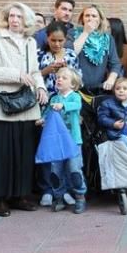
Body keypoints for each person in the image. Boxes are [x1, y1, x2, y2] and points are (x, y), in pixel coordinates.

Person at [0, 2, 48, 217]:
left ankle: (20, 195)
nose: (14, 19)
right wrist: (16, 75)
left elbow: (35, 71)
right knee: (0, 153)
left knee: (23, 152)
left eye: (19, 16)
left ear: (26, 20)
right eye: (11, 16)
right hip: (1, 102)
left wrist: (41, 87)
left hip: (26, 103)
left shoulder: (30, 41)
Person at [40, 67, 86, 213]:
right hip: (57, 142)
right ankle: (59, 196)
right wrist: (42, 119)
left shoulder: (75, 96)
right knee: (55, 171)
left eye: (64, 78)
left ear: (72, 84)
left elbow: (77, 106)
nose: (59, 79)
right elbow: (47, 112)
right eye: (58, 77)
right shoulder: (54, 98)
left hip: (73, 141)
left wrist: (64, 105)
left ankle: (80, 196)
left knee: (74, 169)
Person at [71, 4, 121, 95]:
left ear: (100, 20)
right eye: (87, 16)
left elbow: (115, 63)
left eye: (94, 16)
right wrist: (86, 32)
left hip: (98, 89)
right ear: (82, 19)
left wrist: (111, 79)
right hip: (75, 88)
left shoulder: (107, 38)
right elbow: (71, 54)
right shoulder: (73, 34)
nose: (90, 19)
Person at [38, 22, 79, 96]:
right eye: (53, 40)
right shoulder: (39, 55)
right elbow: (31, 78)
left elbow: (78, 81)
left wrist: (67, 71)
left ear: (65, 39)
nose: (57, 44)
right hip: (44, 100)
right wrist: (45, 71)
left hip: (65, 102)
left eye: (60, 40)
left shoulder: (71, 55)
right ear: (47, 38)